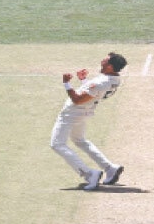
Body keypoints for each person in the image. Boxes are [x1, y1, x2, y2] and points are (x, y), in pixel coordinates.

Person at [50, 53, 127, 191]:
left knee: (57, 144)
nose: (102, 60)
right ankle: (110, 168)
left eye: (106, 59)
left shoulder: (101, 82)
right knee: (80, 141)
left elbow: (77, 99)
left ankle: (89, 174)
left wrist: (66, 83)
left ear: (110, 66)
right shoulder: (114, 79)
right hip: (85, 112)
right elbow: (95, 93)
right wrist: (84, 81)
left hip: (72, 113)